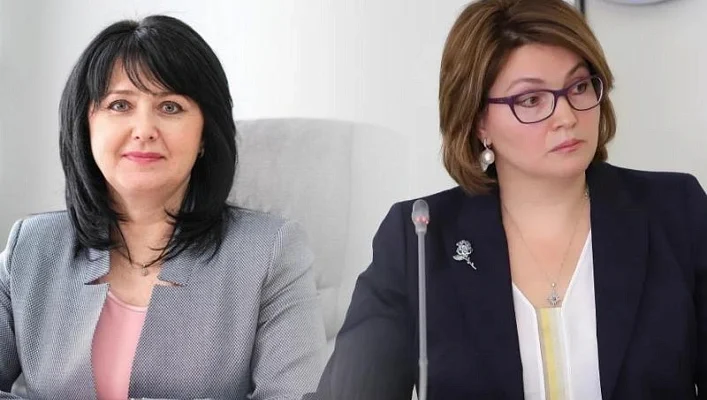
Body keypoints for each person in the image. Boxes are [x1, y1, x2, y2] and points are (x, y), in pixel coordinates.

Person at [314, 0, 707, 399]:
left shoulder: (676, 211)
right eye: (531, 100)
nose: (567, 116)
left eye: (579, 87)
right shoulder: (419, 239)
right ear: (479, 121)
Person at [0, 15, 325, 399]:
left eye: (170, 107)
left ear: (204, 135)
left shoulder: (269, 253)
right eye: (120, 104)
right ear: (86, 126)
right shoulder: (31, 247)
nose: (144, 130)